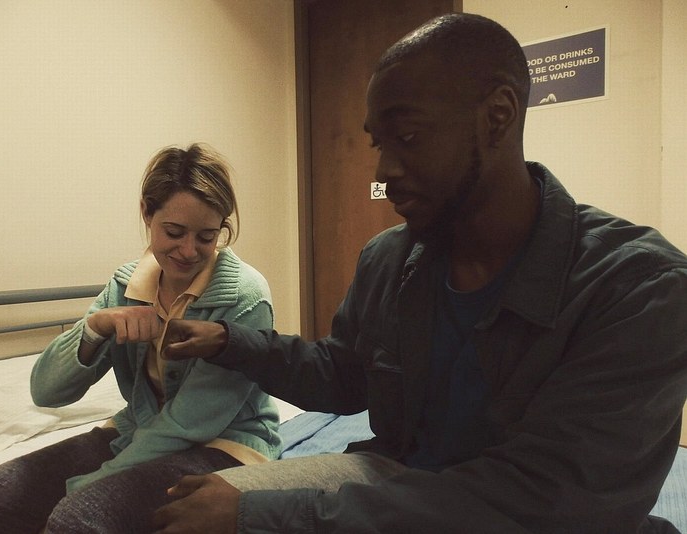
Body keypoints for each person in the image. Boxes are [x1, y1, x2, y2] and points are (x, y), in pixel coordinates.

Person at [152, 13, 687, 534]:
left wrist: (268, 516)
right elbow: (344, 376)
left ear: (498, 116)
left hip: (530, 514)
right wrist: (229, 342)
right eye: (378, 144)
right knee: (186, 513)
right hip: (397, 480)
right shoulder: (388, 259)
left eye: (407, 136)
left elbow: (544, 501)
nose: (383, 171)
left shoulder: (640, 287)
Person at [0, 143, 281, 534]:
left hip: (225, 444)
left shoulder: (244, 297)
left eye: (207, 237)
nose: (189, 251)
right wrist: (96, 329)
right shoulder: (126, 286)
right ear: (147, 213)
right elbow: (45, 391)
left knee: (79, 518)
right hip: (137, 429)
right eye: (174, 232)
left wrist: (92, 482)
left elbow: (191, 423)